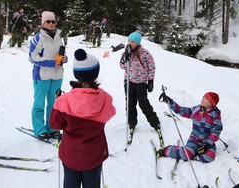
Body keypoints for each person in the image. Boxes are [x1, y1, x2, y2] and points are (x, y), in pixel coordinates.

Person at [50, 49, 116, 188]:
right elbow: (110, 113)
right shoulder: (105, 98)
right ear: (95, 74)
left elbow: (55, 124)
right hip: (94, 154)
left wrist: (59, 102)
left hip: (71, 154)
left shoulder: (64, 101)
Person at [29, 11, 67, 140]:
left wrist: (64, 59)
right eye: (48, 22)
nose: (51, 24)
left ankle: (51, 128)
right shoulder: (38, 37)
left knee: (53, 104)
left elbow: (60, 53)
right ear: (43, 23)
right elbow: (32, 57)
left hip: (57, 75)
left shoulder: (58, 36)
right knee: (39, 103)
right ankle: (39, 129)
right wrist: (51, 63)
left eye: (53, 21)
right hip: (42, 76)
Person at [157, 91, 223, 163]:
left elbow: (215, 134)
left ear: (212, 103)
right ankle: (167, 150)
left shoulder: (215, 117)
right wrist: (170, 102)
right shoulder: (197, 110)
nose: (203, 99)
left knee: (210, 156)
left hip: (206, 143)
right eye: (203, 97)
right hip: (194, 138)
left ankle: (193, 155)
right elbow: (182, 110)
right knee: (187, 154)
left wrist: (207, 145)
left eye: (206, 98)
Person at [120, 31, 162, 137]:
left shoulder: (145, 53)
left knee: (143, 103)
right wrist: (126, 56)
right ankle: (132, 122)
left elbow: (152, 67)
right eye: (129, 41)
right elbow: (122, 65)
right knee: (130, 103)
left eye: (132, 42)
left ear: (138, 43)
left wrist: (151, 81)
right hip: (129, 82)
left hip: (141, 83)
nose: (130, 43)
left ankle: (155, 122)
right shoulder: (126, 53)